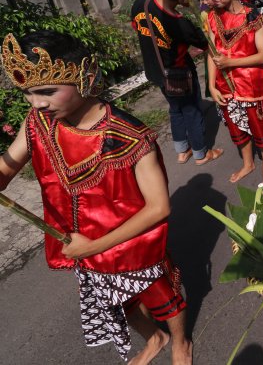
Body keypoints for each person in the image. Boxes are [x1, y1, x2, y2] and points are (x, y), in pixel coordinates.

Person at [0, 31, 193, 364]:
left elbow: (159, 206)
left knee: (163, 298)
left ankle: (180, 343)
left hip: (132, 242)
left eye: (47, 91)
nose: (37, 103)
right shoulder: (38, 123)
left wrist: (94, 246)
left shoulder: (128, 136)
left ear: (85, 78)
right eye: (29, 94)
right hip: (81, 244)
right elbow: (8, 166)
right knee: (120, 303)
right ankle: (155, 337)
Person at [130, 0, 224, 165]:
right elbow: (206, 43)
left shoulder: (142, 3)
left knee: (175, 109)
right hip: (179, 74)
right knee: (192, 111)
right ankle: (201, 153)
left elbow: (136, 27)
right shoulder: (180, 23)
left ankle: (182, 150)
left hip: (156, 72)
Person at [204, 0, 263, 183]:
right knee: (236, 129)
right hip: (225, 87)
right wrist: (211, 86)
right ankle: (247, 163)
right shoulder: (211, 17)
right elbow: (211, 52)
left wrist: (230, 61)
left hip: (252, 86)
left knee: (259, 128)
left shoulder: (253, 16)